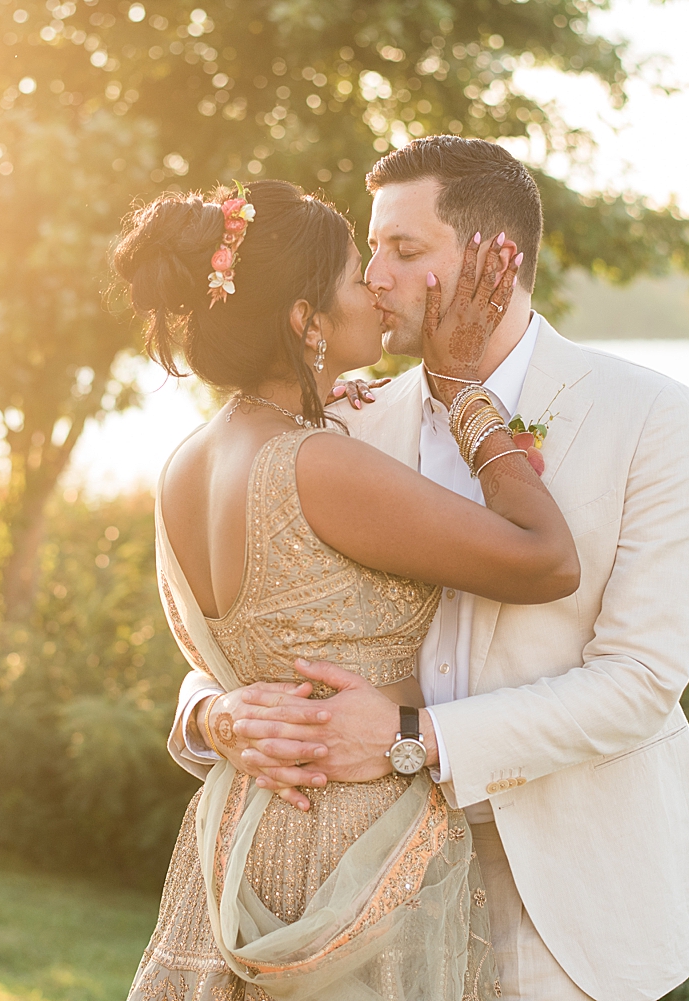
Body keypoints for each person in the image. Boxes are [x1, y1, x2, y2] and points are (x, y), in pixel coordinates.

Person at [168, 137, 689, 1001]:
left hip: (567, 890)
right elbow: (252, 626)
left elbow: (641, 681)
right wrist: (212, 712)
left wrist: (417, 739)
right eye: (370, 250)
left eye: (405, 252)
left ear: (496, 258)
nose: (375, 276)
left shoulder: (649, 416)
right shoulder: (343, 422)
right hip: (366, 879)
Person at [114, 177, 581, 1000]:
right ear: (305, 320)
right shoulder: (317, 463)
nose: (374, 284)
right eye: (352, 275)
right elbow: (545, 559)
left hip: (247, 827)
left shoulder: (187, 461)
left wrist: (212, 714)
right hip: (352, 854)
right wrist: (466, 393)